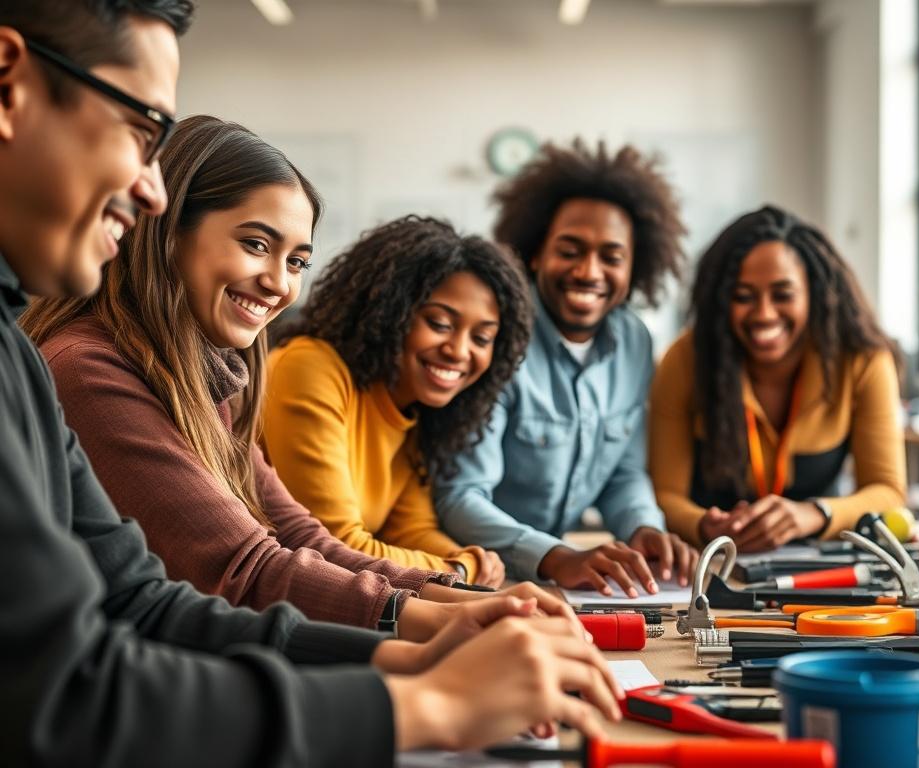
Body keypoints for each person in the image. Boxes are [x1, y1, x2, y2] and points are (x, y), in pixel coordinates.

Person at [0, 3, 619, 764]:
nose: (149, 190)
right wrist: (425, 689)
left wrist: (427, 637)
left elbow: (172, 591)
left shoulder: (45, 364)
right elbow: (93, 678)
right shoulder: (84, 366)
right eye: (139, 131)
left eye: (296, 259)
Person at [22, 115, 577, 639]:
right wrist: (445, 615)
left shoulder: (204, 381)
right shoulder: (90, 369)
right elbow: (247, 571)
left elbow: (300, 535)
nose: (280, 285)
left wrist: (476, 600)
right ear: (167, 231)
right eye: (256, 245)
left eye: (296, 262)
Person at [434, 140, 699, 596]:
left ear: (635, 268)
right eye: (570, 250)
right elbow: (458, 497)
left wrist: (642, 526)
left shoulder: (634, 341)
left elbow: (624, 472)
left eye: (611, 257)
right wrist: (555, 556)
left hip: (563, 579)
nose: (588, 272)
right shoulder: (496, 335)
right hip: (471, 573)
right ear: (535, 253)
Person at [264, 216, 533, 587]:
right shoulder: (309, 367)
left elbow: (411, 529)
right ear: (388, 312)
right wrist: (458, 569)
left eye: (482, 338)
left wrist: (464, 560)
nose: (459, 351)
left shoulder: (417, 407)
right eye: (439, 324)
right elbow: (335, 544)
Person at [649, 204, 906, 552]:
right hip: (709, 562)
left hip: (818, 569)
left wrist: (814, 514)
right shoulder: (685, 359)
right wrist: (704, 524)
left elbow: (889, 491)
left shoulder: (862, 360)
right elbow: (663, 495)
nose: (764, 314)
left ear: (814, 294)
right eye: (743, 297)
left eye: (783, 295)